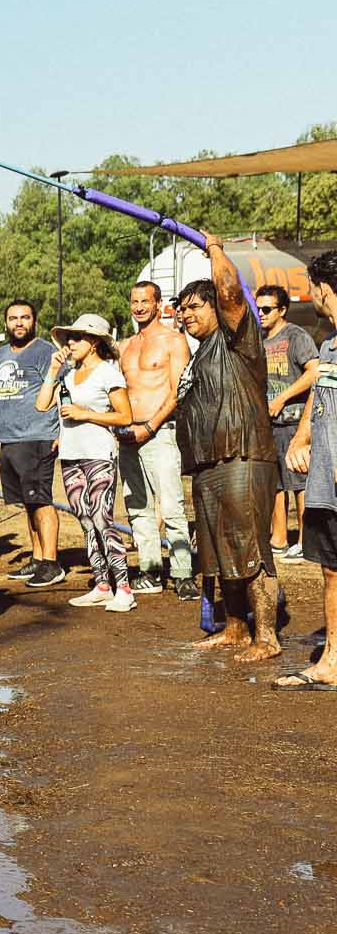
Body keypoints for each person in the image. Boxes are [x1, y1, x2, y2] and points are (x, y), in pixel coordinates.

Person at [176, 238, 283, 661]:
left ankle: (267, 638)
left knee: (251, 550)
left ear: (216, 309)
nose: (186, 315)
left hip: (243, 454)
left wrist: (215, 249)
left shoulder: (239, 337)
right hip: (207, 462)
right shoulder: (200, 353)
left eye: (193, 307)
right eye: (181, 309)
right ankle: (237, 629)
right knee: (220, 554)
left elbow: (228, 292)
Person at [36, 315, 134, 611]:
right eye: (69, 338)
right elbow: (41, 405)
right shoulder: (66, 374)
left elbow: (125, 417)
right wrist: (53, 370)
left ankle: (124, 589)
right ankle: (102, 584)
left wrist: (85, 414)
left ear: (94, 343)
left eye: (77, 337)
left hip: (99, 454)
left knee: (103, 518)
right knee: (85, 518)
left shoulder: (107, 373)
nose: (70, 343)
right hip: (70, 455)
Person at [276, 251, 337, 689]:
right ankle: (332, 659)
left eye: (312, 288)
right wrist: (302, 437)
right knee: (331, 569)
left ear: (322, 288)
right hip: (325, 482)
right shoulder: (331, 344)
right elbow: (322, 393)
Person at [0, 301, 65, 586]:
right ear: (6, 323)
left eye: (25, 317)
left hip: (37, 437)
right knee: (28, 501)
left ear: (34, 321)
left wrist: (62, 434)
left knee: (41, 500)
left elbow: (62, 390)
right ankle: (38, 559)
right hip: (9, 439)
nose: (19, 323)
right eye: (13, 318)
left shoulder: (45, 352)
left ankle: (51, 563)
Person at [118, 279, 197, 598]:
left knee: (172, 503)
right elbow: (117, 391)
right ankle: (150, 568)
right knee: (137, 506)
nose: (139, 307)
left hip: (160, 432)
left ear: (158, 303)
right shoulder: (125, 345)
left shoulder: (173, 341)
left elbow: (180, 391)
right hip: (126, 435)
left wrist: (149, 426)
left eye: (145, 301)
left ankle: (182, 571)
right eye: (134, 301)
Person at [259, 283, 319, 557]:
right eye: (258, 308)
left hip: (294, 423)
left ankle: (307, 542)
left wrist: (282, 398)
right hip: (268, 425)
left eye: (267, 309)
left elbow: (314, 372)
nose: (261, 313)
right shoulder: (259, 340)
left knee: (300, 483)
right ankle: (279, 539)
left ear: (282, 309)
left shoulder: (296, 336)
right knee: (275, 484)